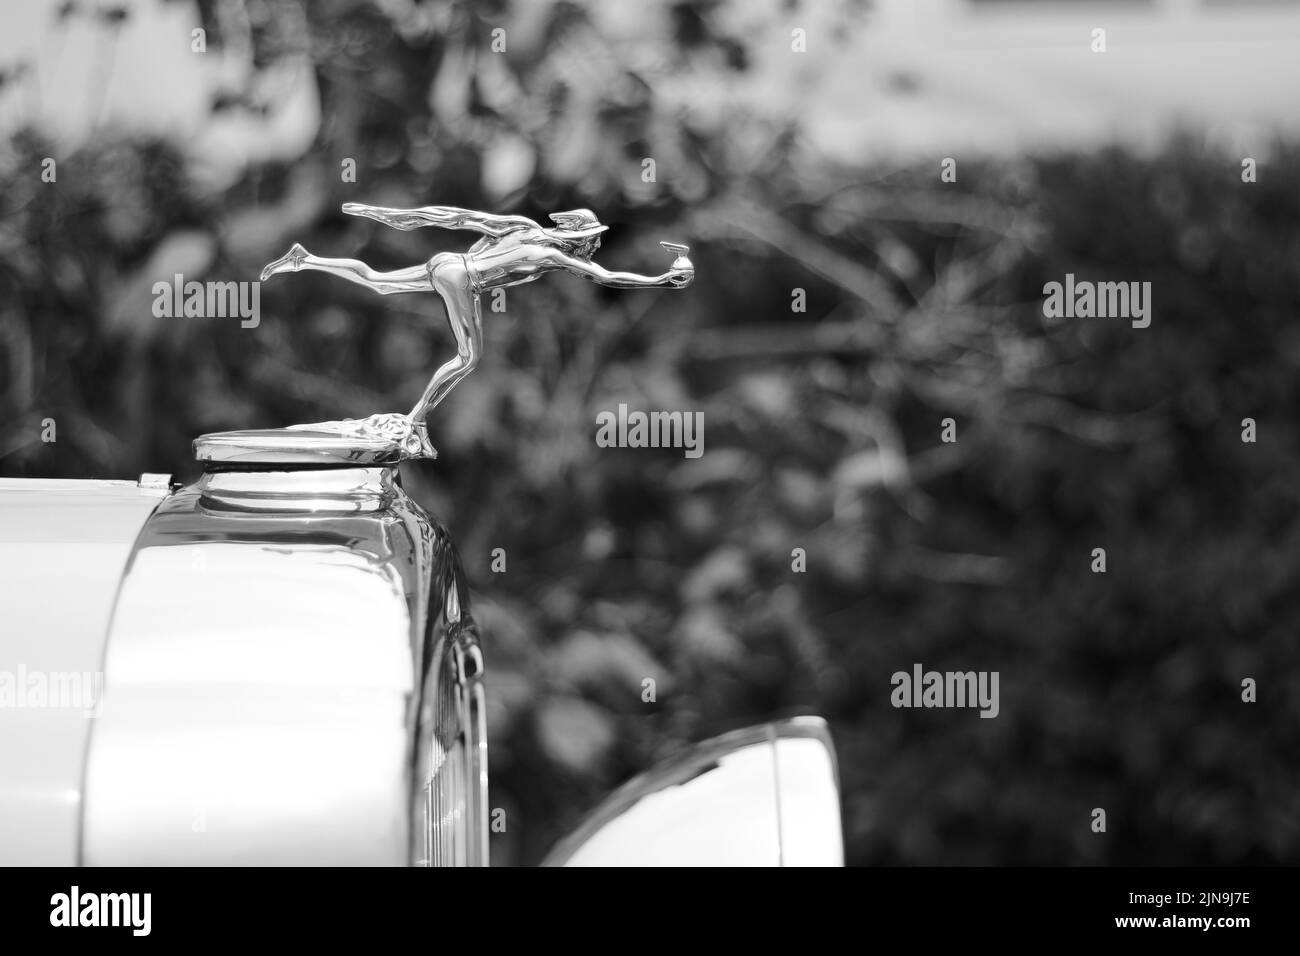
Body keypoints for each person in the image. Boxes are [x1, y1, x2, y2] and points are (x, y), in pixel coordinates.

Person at [261, 205, 693, 452]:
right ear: (578, 236)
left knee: (377, 283)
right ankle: (414, 421)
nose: (594, 244)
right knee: (469, 357)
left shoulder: (523, 227)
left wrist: (395, 216)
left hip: (448, 263)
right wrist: (660, 280)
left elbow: (455, 218)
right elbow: (605, 276)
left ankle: (307, 259)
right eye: (592, 238)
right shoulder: (551, 253)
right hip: (462, 279)